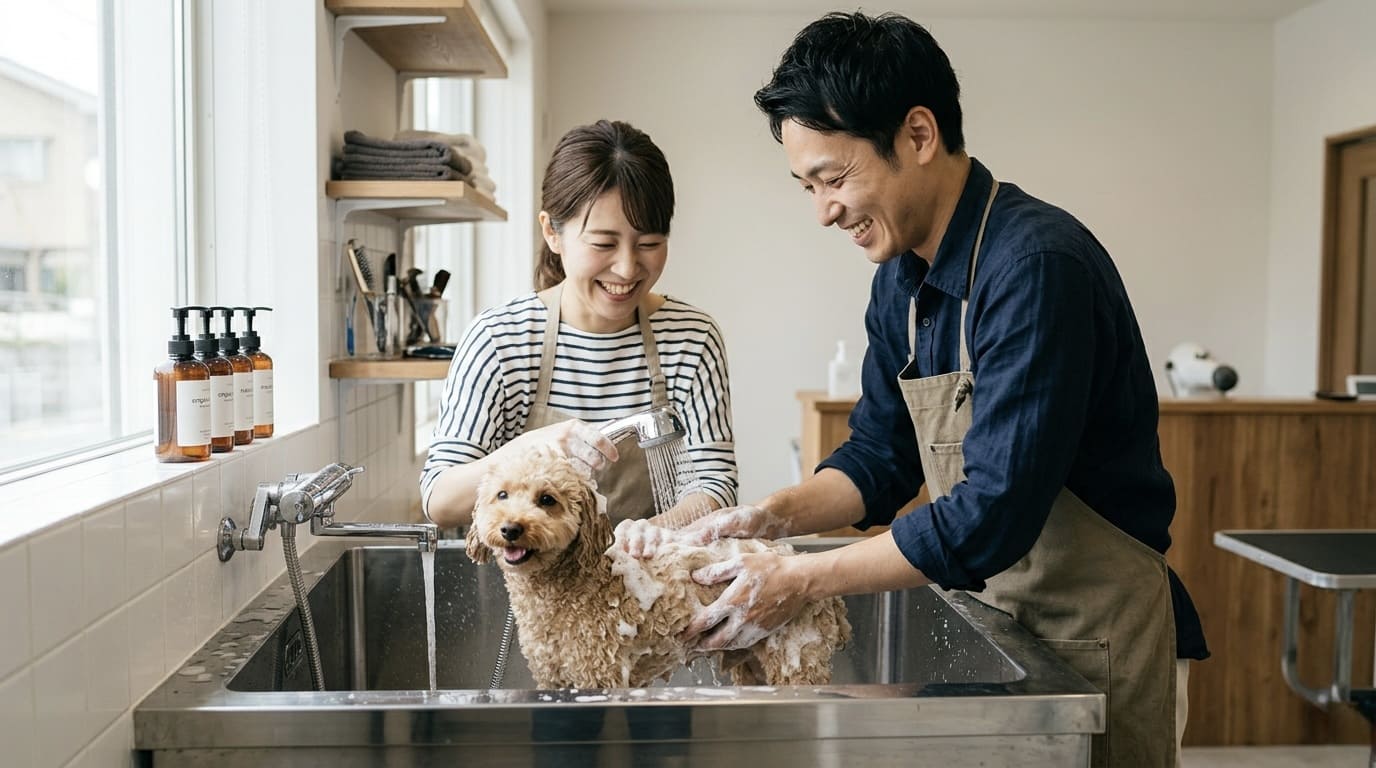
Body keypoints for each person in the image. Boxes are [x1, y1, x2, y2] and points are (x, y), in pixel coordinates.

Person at [618, 12, 1207, 768]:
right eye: (807, 186)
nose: (824, 210)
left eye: (834, 178)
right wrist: (766, 519)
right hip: (1001, 620)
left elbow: (992, 512)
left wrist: (797, 577)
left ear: (919, 135)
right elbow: (878, 458)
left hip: (1097, 643)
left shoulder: (1035, 267)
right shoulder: (901, 280)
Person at [421, 119, 737, 529]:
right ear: (552, 232)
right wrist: (536, 446)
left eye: (649, 244)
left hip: (651, 579)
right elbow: (440, 500)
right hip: (524, 589)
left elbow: (716, 485)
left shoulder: (691, 339)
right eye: (603, 243)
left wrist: (640, 541)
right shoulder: (500, 341)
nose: (626, 268)